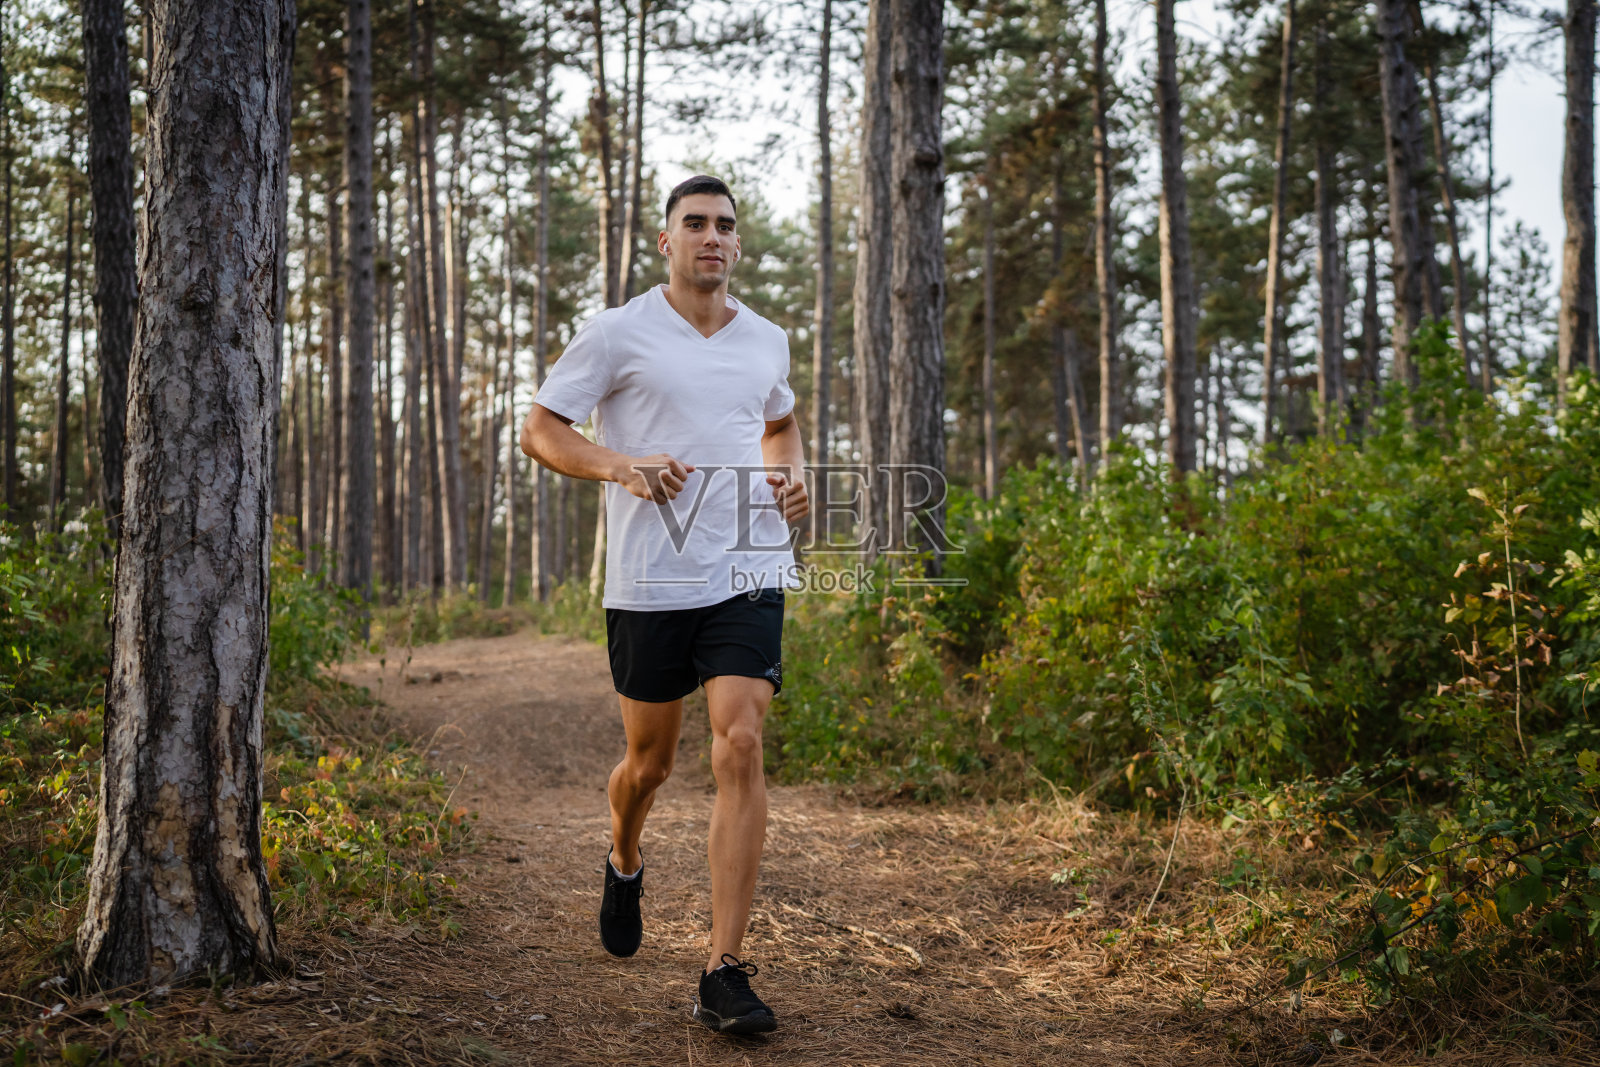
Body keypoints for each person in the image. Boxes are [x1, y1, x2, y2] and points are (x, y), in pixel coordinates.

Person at [520, 175, 808, 1035]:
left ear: (738, 243)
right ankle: (624, 852)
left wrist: (788, 477)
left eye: (725, 225)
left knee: (741, 741)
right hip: (650, 581)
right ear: (666, 241)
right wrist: (620, 466)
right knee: (648, 765)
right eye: (696, 224)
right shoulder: (617, 332)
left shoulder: (767, 339)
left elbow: (780, 422)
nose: (712, 237)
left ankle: (723, 967)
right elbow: (542, 429)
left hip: (746, 568)